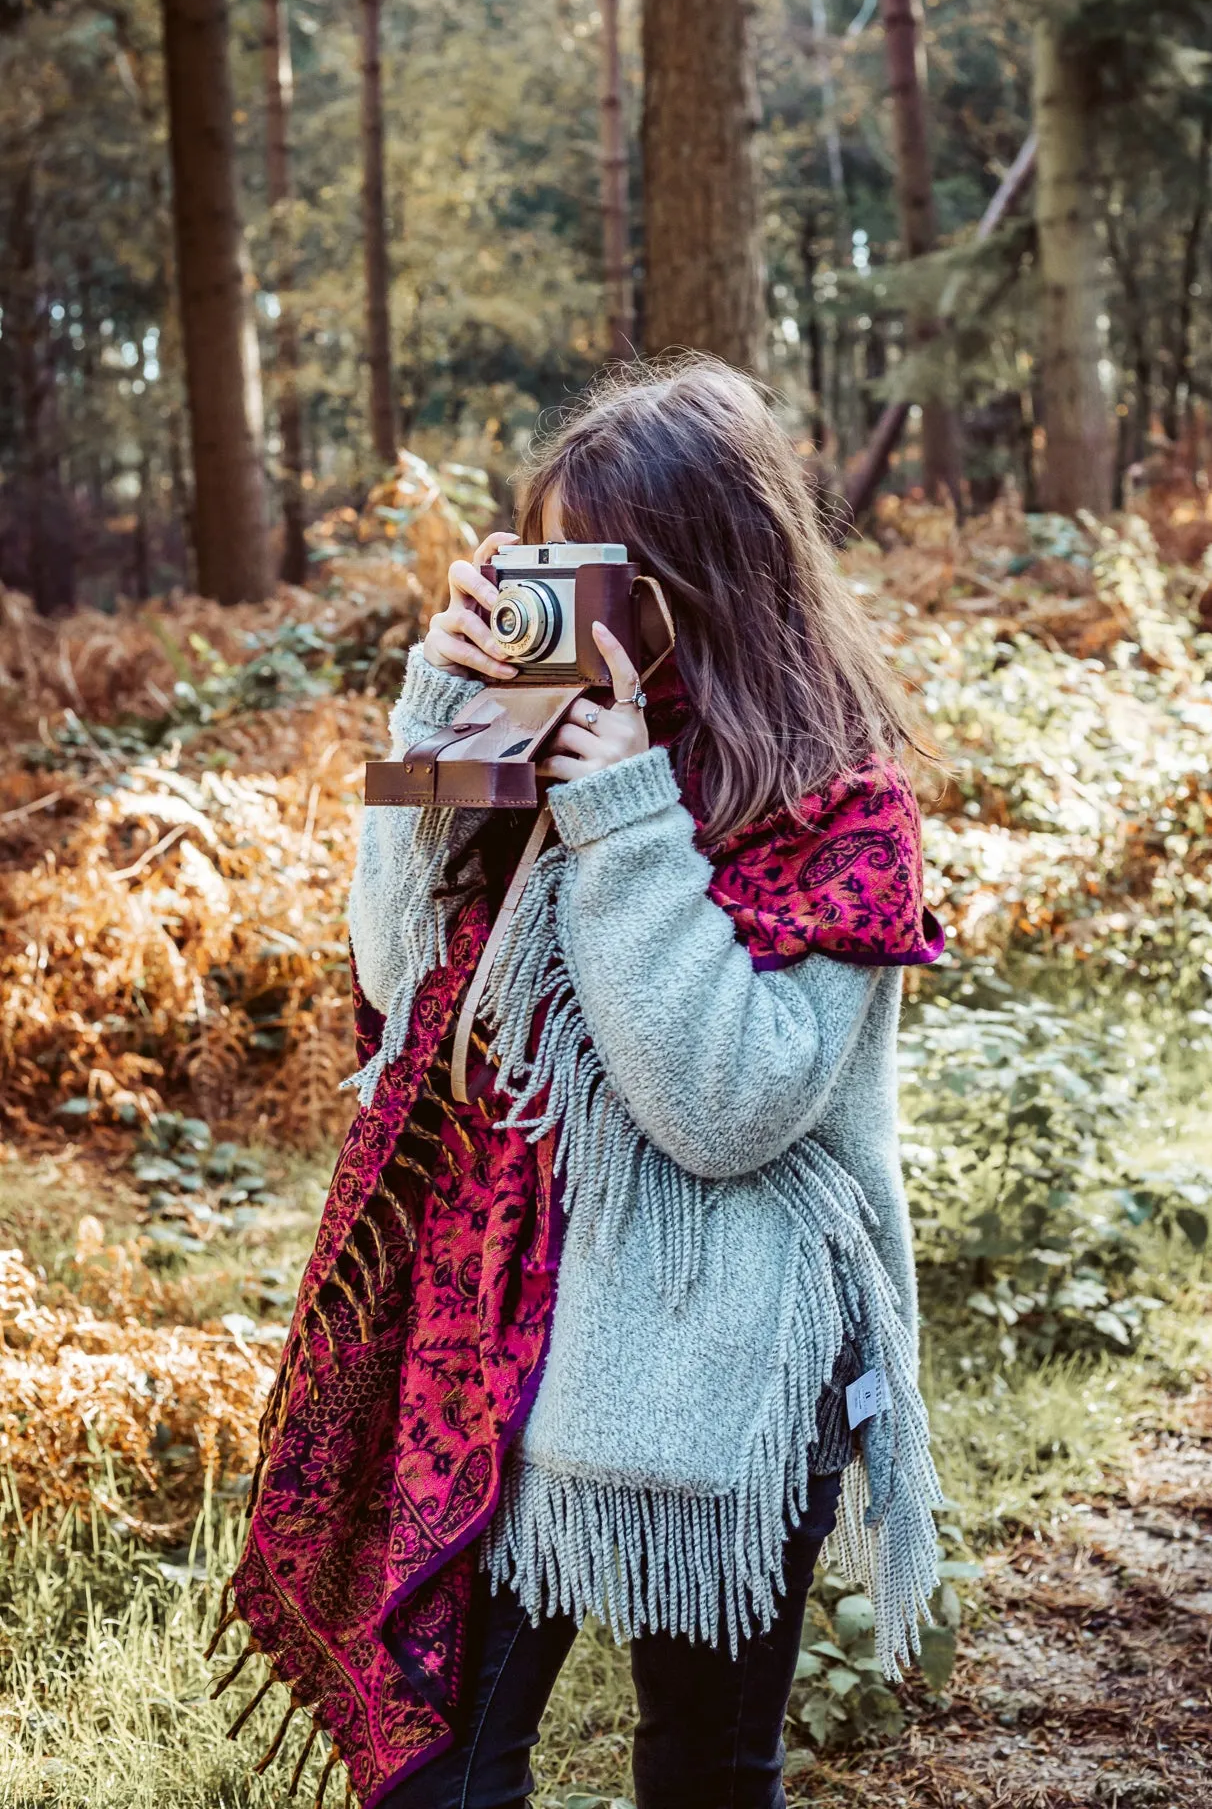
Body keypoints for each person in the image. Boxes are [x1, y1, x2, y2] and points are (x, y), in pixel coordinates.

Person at [217, 358, 944, 1809]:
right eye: (544, 557)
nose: (572, 601)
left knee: (706, 1773)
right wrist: (442, 712)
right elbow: (394, 972)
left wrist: (624, 819)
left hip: (724, 1370)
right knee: (445, 1776)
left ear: (705, 577)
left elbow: (726, 1105)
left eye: (605, 568)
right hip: (492, 1339)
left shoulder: (839, 808)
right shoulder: (524, 740)